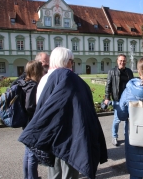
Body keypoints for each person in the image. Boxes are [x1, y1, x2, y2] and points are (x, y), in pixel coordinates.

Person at [18, 47, 107, 179]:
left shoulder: (45, 78)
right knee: (69, 172)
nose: (72, 63)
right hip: (69, 135)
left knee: (54, 173)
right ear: (66, 61)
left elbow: (40, 105)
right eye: (72, 61)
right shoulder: (70, 79)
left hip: (52, 134)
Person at [17, 60, 43, 179]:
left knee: (28, 152)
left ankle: (28, 177)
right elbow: (30, 106)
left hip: (26, 121)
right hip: (31, 122)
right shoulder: (32, 85)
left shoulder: (23, 82)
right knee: (32, 154)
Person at [104, 54, 134, 146]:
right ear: (117, 61)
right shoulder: (112, 72)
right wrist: (106, 97)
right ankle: (114, 136)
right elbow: (108, 85)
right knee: (117, 119)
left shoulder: (129, 71)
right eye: (120, 60)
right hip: (117, 99)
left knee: (127, 119)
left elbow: (132, 84)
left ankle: (126, 136)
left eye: (124, 61)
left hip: (128, 99)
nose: (122, 62)